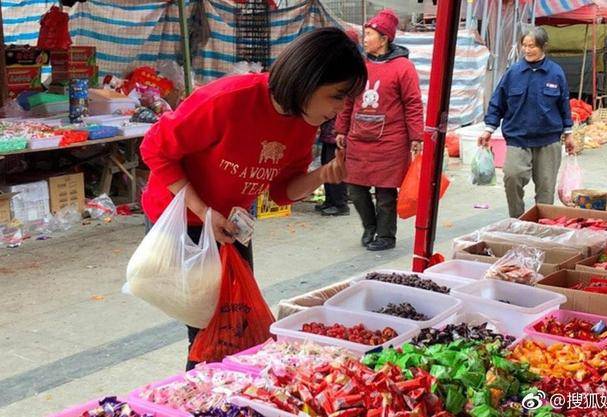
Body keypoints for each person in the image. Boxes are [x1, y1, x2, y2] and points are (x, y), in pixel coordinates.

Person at [139, 27, 366, 370]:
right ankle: (201, 397)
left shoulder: (304, 122)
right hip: (182, 220)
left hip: (229, 225)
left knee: (237, 320)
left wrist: (323, 174)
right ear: (308, 78)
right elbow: (155, 150)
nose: (339, 110)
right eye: (337, 96)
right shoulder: (229, 99)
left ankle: (218, 392)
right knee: (211, 329)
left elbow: (280, 191)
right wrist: (204, 211)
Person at [335, 9, 424, 251]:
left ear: (384, 38)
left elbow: (413, 103)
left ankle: (386, 236)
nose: (364, 39)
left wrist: (416, 136)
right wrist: (341, 129)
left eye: (369, 34)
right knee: (354, 188)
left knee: (385, 194)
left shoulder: (403, 67)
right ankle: (370, 227)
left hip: (390, 140)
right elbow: (348, 100)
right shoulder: (360, 65)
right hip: (359, 138)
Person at [478, 26, 575, 218]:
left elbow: (564, 104)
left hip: (548, 140)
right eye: (525, 45)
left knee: (546, 188)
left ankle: (543, 226)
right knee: (512, 177)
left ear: (543, 47)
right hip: (518, 138)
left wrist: (569, 133)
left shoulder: (555, 73)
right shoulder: (513, 73)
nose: (528, 50)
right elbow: (498, 102)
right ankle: (517, 220)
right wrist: (488, 129)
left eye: (533, 46)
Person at [315, 119, 350, 216]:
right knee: (327, 170)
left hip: (337, 138)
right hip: (328, 136)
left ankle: (340, 205)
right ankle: (330, 201)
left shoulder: (341, 106)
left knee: (336, 171)